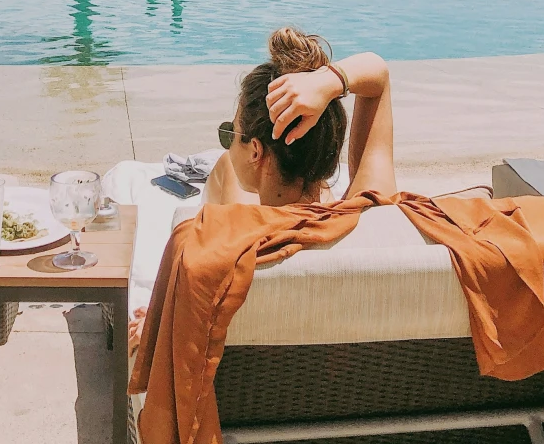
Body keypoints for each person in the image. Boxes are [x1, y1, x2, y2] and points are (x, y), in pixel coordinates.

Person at [129, 27, 394, 350]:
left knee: (226, 169)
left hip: (253, 393)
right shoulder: (376, 214)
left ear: (255, 151)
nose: (229, 144)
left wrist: (156, 323)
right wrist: (327, 81)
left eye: (231, 134)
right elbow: (377, 77)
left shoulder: (218, 253)